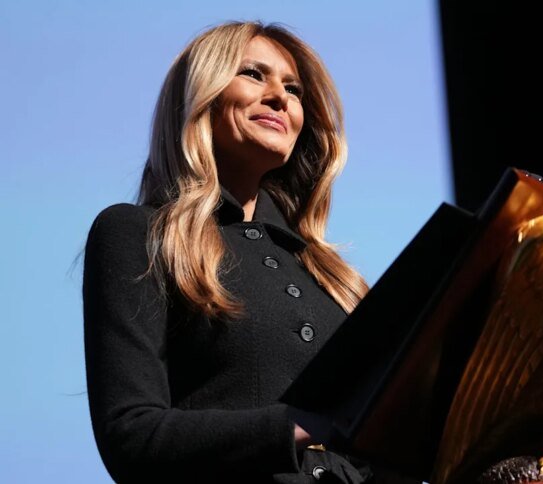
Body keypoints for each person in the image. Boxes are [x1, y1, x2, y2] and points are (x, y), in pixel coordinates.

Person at [83, 21, 372, 483]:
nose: (280, 97)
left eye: (293, 89)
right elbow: (131, 434)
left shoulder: (333, 277)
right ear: (202, 95)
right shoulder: (139, 234)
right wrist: (295, 426)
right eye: (254, 74)